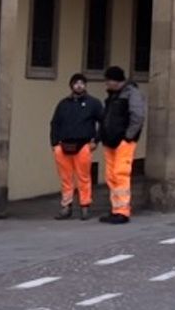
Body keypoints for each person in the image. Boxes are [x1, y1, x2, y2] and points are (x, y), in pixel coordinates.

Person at [98, 64, 147, 224]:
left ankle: (122, 211)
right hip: (111, 141)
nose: (106, 84)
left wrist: (128, 137)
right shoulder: (114, 95)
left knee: (120, 174)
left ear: (115, 81)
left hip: (122, 141)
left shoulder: (130, 94)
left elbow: (138, 116)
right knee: (112, 176)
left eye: (108, 80)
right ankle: (116, 208)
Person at [49, 73, 101, 220]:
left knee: (83, 177)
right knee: (65, 178)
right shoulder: (63, 104)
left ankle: (85, 206)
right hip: (63, 146)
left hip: (83, 145)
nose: (79, 85)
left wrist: (95, 141)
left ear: (85, 85)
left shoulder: (93, 103)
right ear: (71, 85)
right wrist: (54, 143)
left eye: (82, 83)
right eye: (76, 83)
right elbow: (54, 123)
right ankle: (66, 206)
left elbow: (103, 122)